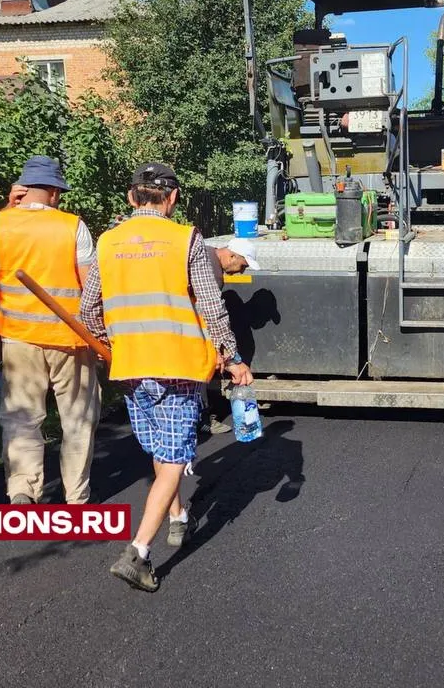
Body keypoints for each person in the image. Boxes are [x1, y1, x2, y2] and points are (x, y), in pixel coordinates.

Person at [80, 162, 253, 592]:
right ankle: (138, 553)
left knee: (161, 449)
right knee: (174, 458)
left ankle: (177, 516)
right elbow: (211, 305)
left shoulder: (108, 241)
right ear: (172, 198)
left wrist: (110, 342)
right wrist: (232, 357)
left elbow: (88, 309)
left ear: (130, 196)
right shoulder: (185, 239)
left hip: (130, 366)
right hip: (177, 365)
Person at [0, 156, 101, 506]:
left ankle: (23, 489)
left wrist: (8, 205)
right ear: (56, 193)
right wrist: (100, 335)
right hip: (70, 339)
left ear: (22, 189)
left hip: (18, 338)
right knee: (77, 419)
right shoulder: (74, 227)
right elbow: (91, 288)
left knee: (21, 418)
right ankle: (77, 497)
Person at [198, 237, 261, 436]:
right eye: (242, 265)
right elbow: (210, 315)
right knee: (198, 371)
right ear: (232, 256)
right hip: (188, 331)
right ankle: (201, 419)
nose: (241, 271)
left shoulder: (205, 252)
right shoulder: (212, 272)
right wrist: (226, 355)